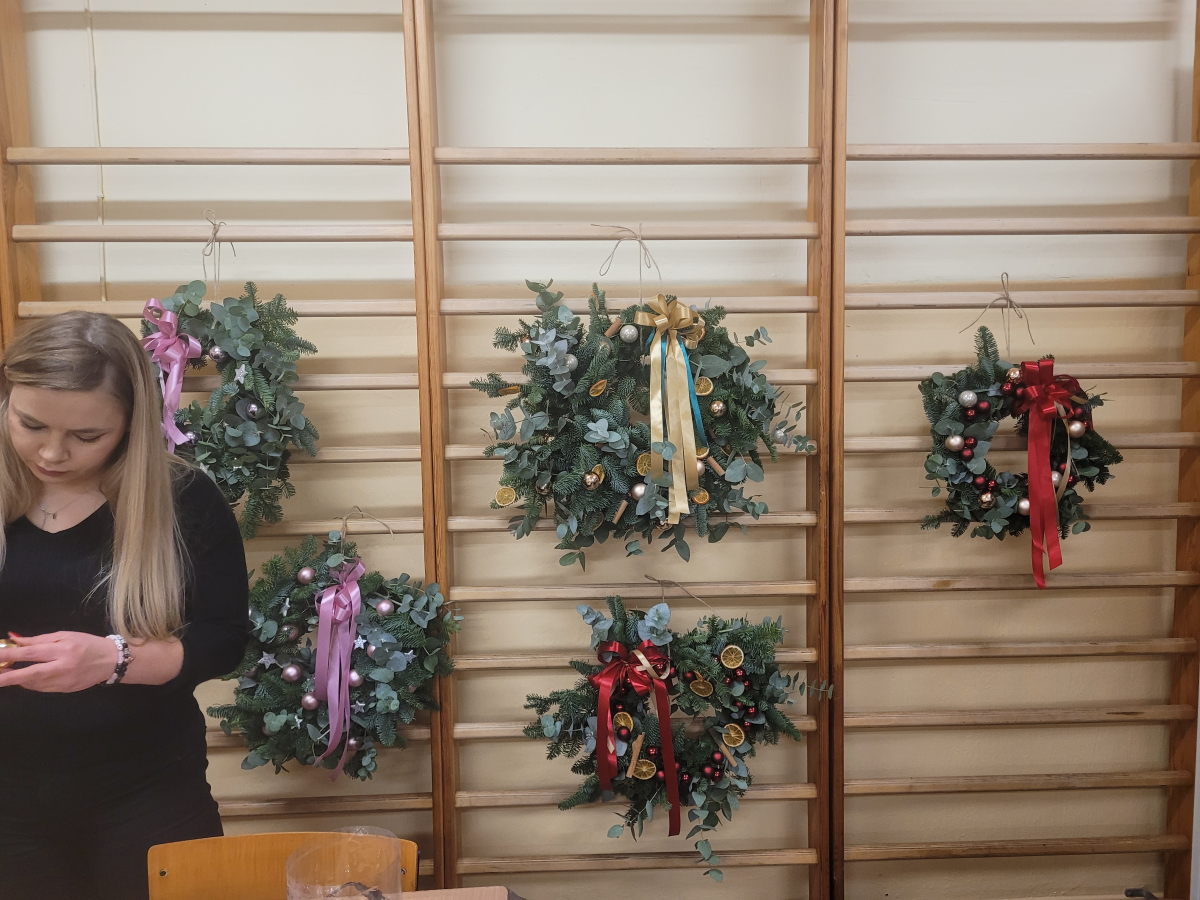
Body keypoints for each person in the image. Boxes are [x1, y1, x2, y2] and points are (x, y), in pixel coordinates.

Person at [0, 311, 250, 900]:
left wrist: (112, 661)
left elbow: (223, 639)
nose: (52, 453)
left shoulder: (185, 499)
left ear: (132, 424)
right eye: (30, 424)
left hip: (150, 794)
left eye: (87, 436)